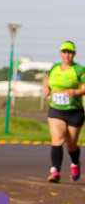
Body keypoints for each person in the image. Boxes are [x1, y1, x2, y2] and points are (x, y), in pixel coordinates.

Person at [42, 41, 85, 183]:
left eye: (70, 52)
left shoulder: (79, 70)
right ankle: (55, 172)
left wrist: (76, 91)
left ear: (74, 54)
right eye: (64, 52)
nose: (67, 55)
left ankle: (75, 163)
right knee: (58, 139)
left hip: (74, 111)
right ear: (61, 53)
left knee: (71, 144)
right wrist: (46, 88)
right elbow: (47, 79)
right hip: (56, 110)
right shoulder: (55, 67)